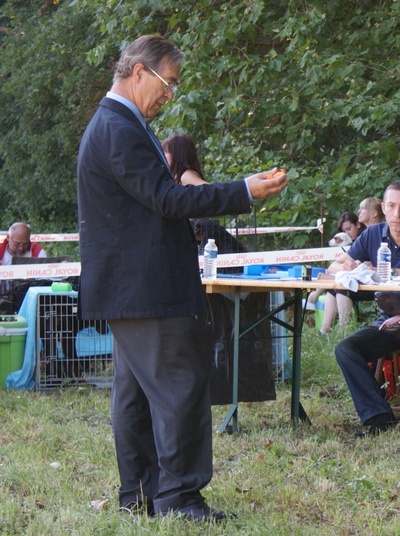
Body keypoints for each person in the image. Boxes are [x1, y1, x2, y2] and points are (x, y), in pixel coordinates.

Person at [76, 34, 288, 522]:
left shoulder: (117, 124)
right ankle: (180, 501)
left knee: (134, 395)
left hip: (131, 287)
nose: (169, 95)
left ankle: (143, 496)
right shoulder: (118, 126)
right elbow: (168, 201)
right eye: (167, 85)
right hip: (146, 287)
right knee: (181, 387)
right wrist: (243, 191)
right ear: (138, 73)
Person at [331, 180, 400, 437]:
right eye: (391, 206)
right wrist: (347, 266)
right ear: (382, 208)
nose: (397, 213)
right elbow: (334, 268)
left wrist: (389, 272)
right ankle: (379, 415)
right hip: (389, 320)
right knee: (346, 349)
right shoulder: (372, 234)